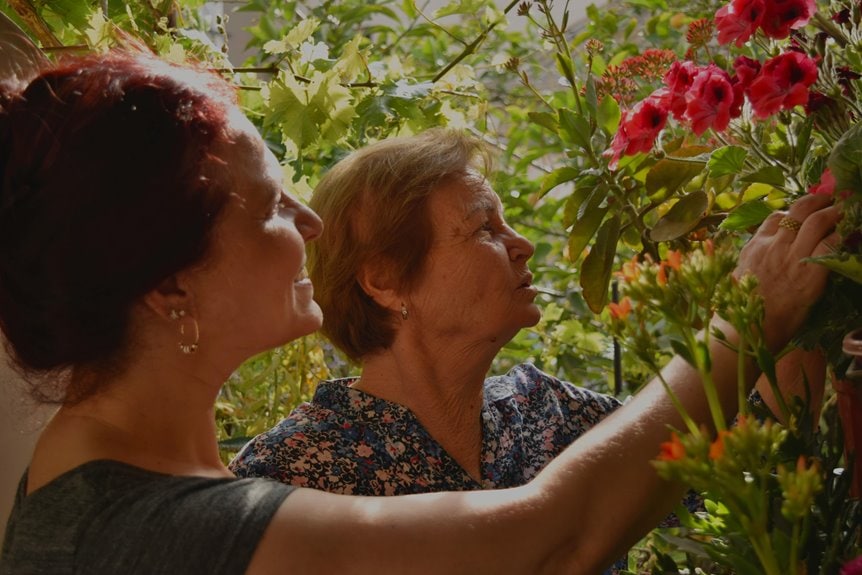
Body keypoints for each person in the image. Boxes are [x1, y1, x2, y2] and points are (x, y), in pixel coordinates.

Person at [0, 50, 839, 575]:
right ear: (167, 282)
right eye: (267, 205)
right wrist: (738, 321)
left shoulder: (116, 493)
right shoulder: (173, 530)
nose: (311, 225)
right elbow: (552, 539)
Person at [228, 130, 817, 498]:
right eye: (483, 227)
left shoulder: (548, 412)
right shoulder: (293, 471)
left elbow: (755, 458)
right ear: (385, 280)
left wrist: (814, 290)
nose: (522, 245)